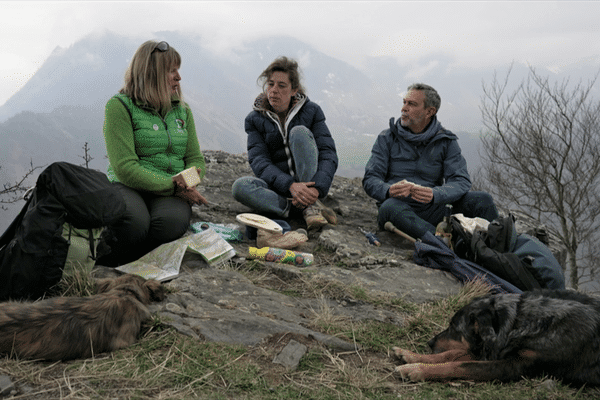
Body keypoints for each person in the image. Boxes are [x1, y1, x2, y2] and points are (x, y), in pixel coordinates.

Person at [98, 40, 208, 267]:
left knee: (169, 225)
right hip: (128, 186)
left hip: (171, 191)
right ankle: (106, 267)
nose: (178, 77)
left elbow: (196, 160)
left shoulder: (182, 111)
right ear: (151, 74)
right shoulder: (119, 107)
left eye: (178, 70)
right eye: (171, 71)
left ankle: (141, 269)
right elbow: (125, 168)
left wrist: (187, 181)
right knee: (133, 224)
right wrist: (174, 185)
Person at [363, 83, 498, 241]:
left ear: (429, 111)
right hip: (398, 206)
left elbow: (460, 180)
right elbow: (370, 179)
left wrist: (436, 194)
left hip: (433, 208)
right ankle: (447, 243)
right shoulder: (387, 138)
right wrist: (388, 190)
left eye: (412, 104)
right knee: (389, 208)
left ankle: (499, 247)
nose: (404, 108)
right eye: (404, 102)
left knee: (483, 200)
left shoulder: (445, 141)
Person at [232, 56, 338, 229]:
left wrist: (316, 189)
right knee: (240, 187)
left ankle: (309, 203)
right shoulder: (255, 119)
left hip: (309, 185)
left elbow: (328, 153)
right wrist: (289, 185)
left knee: (299, 132)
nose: (274, 90)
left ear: (294, 90)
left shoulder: (312, 111)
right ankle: (298, 209)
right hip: (278, 188)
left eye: (281, 86)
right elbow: (260, 161)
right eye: (270, 84)